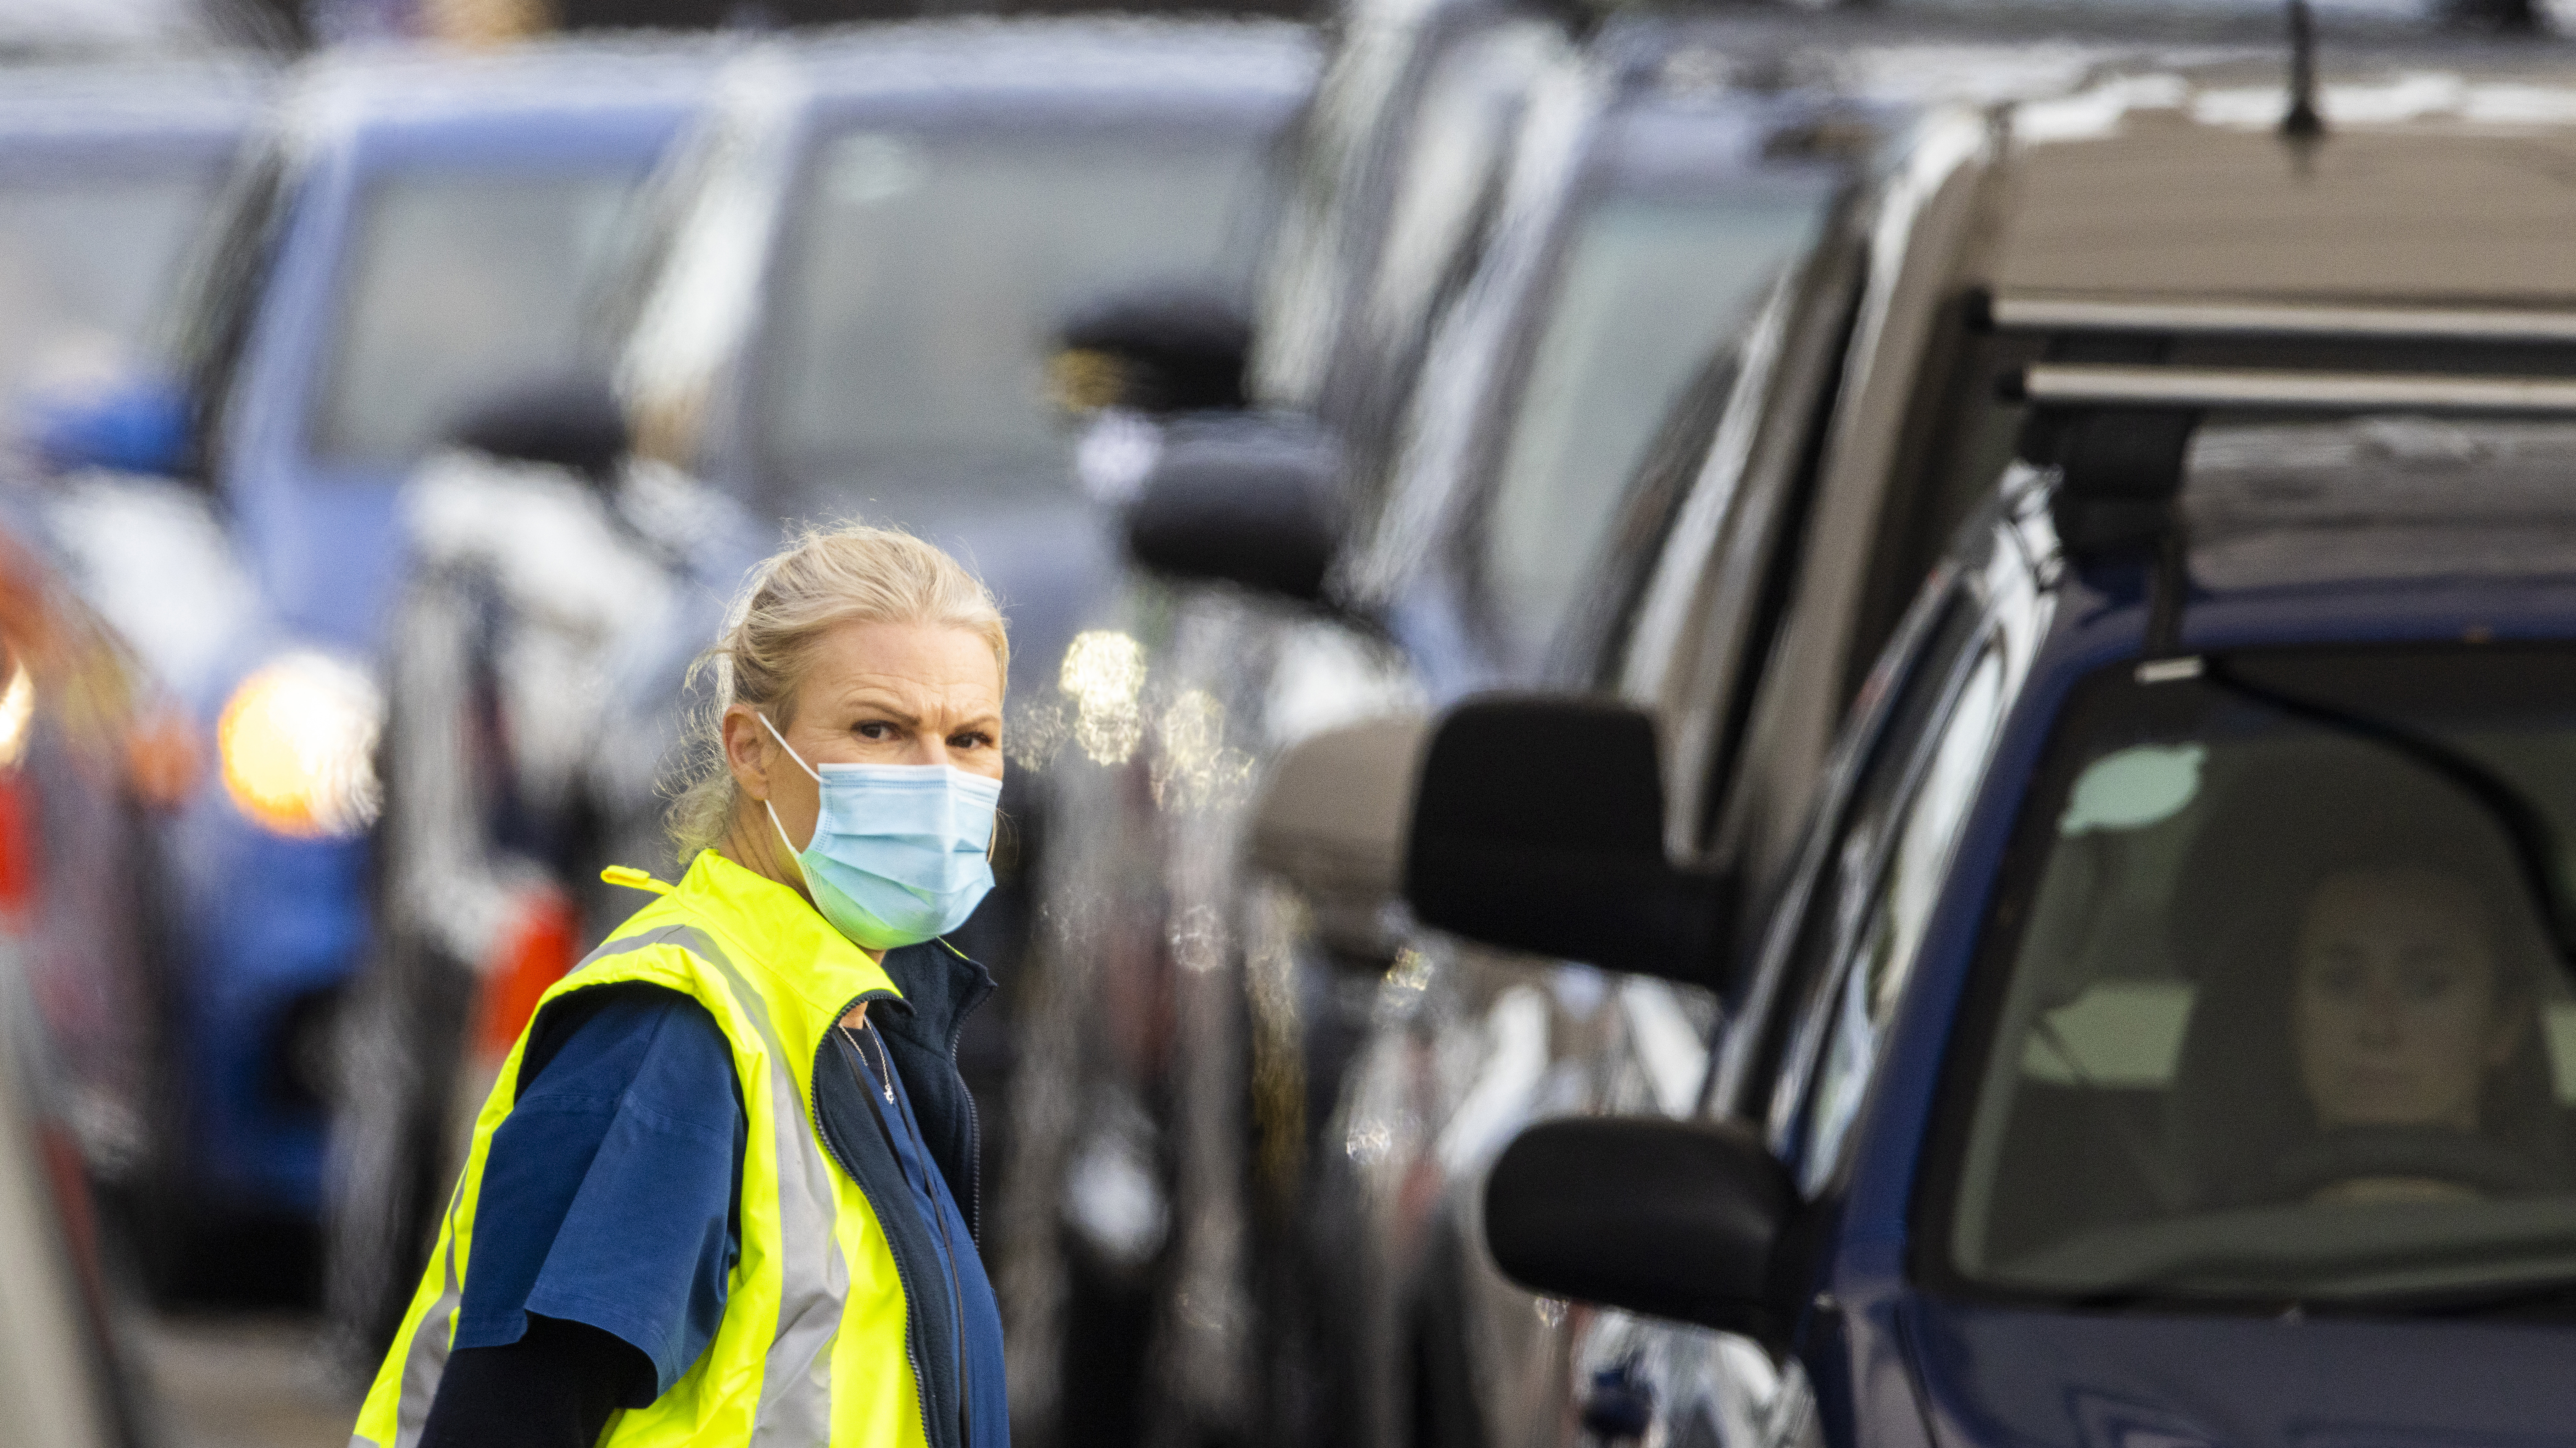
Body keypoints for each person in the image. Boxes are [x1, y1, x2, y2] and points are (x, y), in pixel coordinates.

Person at [353, 523, 1013, 1448]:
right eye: (881, 728)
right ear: (751, 748)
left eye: (971, 737)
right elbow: (513, 1416)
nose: (940, 779)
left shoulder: (856, 1029)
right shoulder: (675, 1036)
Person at [2284, 861, 2550, 1203]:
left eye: (2427, 986)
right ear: (2293, 1015)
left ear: (2503, 1026)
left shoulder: (2553, 1238)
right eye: (2341, 982)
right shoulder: (2210, 1240)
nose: (2377, 1029)